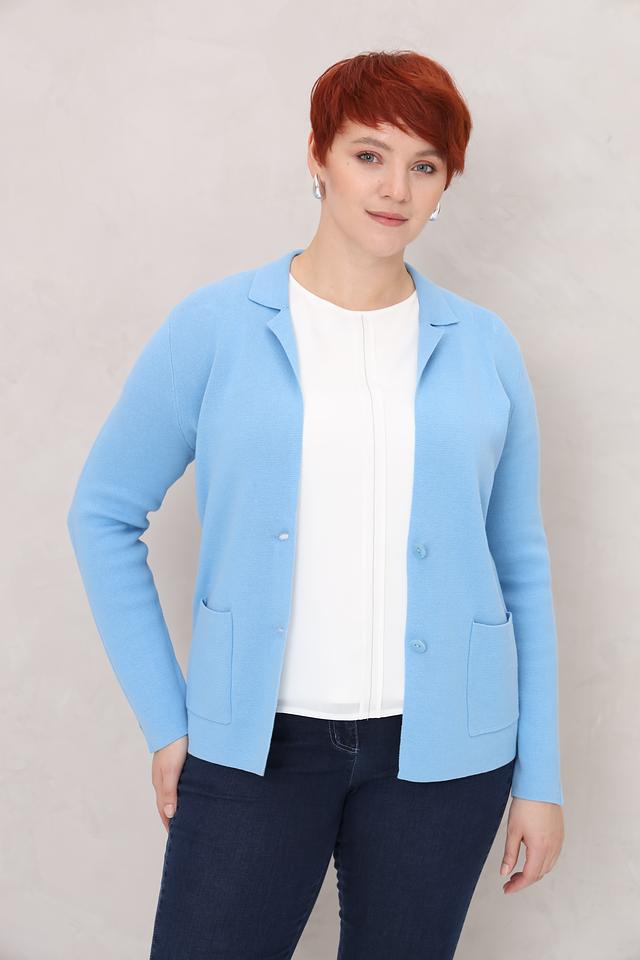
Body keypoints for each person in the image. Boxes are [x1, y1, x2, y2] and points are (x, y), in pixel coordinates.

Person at [67, 49, 565, 959]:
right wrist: (169, 722)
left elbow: (520, 565)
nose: (395, 188)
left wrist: (541, 776)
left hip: (445, 760)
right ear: (317, 156)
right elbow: (102, 513)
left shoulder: (484, 347)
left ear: (446, 182)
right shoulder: (214, 327)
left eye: (424, 165)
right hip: (256, 749)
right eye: (369, 155)